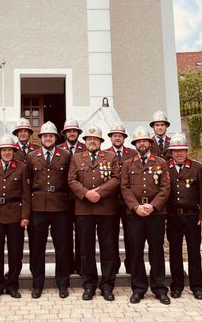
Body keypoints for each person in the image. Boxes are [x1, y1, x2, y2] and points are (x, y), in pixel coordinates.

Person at [68, 125, 120, 301]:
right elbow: (71, 180)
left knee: (108, 249)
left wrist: (99, 192)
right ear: (85, 141)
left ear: (100, 141)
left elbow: (116, 178)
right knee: (86, 250)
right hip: (84, 209)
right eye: (89, 138)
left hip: (106, 209)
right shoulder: (76, 158)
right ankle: (89, 284)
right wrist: (86, 193)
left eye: (95, 139)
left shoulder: (111, 157)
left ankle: (107, 286)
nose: (92, 141)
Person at [120, 126, 171, 305]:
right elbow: (124, 188)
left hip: (155, 213)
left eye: (145, 141)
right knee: (135, 252)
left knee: (156, 250)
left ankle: (159, 289)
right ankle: (139, 288)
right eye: (138, 141)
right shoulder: (127, 163)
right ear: (134, 144)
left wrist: (153, 206)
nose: (142, 144)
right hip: (134, 214)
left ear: (150, 143)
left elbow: (166, 188)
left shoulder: (160, 163)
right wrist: (135, 207)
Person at [0, 134, 30, 299]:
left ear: (14, 151)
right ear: (0, 151)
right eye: (4, 150)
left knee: (15, 253)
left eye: (10, 150)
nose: (7, 152)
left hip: (15, 215)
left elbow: (26, 194)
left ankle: (12, 286)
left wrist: (25, 216)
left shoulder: (22, 167)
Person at [26, 121, 72, 299]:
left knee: (62, 247)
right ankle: (37, 283)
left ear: (55, 138)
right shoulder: (32, 156)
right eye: (45, 136)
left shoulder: (65, 155)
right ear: (40, 138)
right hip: (38, 207)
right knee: (37, 247)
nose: (48, 138)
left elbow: (69, 180)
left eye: (51, 136)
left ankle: (63, 283)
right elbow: (28, 182)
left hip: (60, 207)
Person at [166, 132, 202, 300]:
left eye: (182, 150)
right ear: (171, 152)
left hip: (192, 216)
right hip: (173, 217)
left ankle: (197, 287)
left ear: (186, 151)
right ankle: (177, 285)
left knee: (194, 252)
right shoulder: (165, 167)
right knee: (175, 252)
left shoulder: (197, 167)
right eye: (175, 151)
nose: (179, 153)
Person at [105, 122, 135, 274]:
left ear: (124, 137)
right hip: (111, 201)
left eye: (120, 136)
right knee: (112, 235)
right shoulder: (105, 154)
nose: (117, 138)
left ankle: (130, 263)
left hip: (128, 201)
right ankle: (114, 264)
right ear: (110, 138)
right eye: (114, 135)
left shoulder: (132, 153)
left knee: (130, 234)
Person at [58, 118, 86, 276]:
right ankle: (68, 265)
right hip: (64, 198)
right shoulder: (59, 149)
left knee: (82, 234)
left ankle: (81, 266)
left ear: (78, 133)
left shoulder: (85, 148)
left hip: (82, 198)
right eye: (69, 131)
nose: (72, 133)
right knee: (66, 234)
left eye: (74, 131)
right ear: (65, 134)